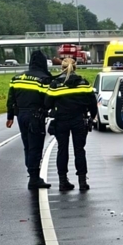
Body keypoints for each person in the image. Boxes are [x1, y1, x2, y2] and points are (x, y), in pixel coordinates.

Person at [45, 58, 97, 191]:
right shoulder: (83, 83)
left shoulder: (55, 84)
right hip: (78, 120)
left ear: (61, 68)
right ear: (76, 67)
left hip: (61, 121)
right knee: (79, 151)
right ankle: (82, 182)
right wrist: (92, 117)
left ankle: (63, 182)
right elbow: (92, 102)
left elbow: (47, 103)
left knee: (62, 150)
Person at [6, 51, 53, 190]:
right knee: (36, 147)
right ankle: (34, 178)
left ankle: (31, 172)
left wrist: (9, 117)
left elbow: (10, 99)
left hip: (21, 116)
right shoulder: (44, 79)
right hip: (36, 117)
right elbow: (48, 101)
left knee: (27, 145)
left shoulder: (17, 78)